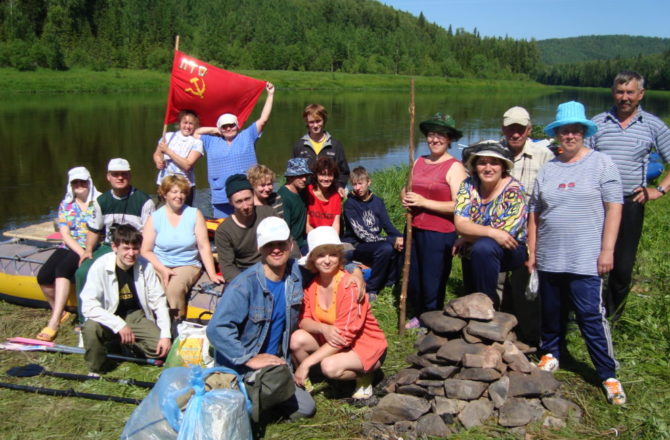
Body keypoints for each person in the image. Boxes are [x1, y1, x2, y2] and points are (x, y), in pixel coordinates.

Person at [528, 101, 626, 405]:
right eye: (563, 131)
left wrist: (607, 250)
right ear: (556, 135)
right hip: (550, 257)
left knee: (590, 316)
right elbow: (534, 212)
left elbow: (614, 207)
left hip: (586, 257)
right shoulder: (548, 169)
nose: (569, 136)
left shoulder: (602, 163)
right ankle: (551, 353)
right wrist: (532, 252)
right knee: (551, 311)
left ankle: (607, 373)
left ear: (583, 132)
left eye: (574, 130)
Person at [587, 71, 670, 322]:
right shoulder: (598, 122)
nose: (625, 98)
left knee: (622, 265)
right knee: (591, 258)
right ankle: (587, 312)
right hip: (597, 201)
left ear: (640, 94)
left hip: (631, 201)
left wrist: (659, 189)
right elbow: (583, 161)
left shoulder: (653, 125)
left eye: (630, 93)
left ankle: (612, 319)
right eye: (620, 92)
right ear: (613, 93)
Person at [290, 226, 387, 399]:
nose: (327, 261)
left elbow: (346, 335)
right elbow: (304, 320)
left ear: (340, 257)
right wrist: (323, 328)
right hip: (332, 339)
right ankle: (313, 381)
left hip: (361, 342)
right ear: (312, 260)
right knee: (297, 339)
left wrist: (305, 363)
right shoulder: (312, 286)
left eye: (332, 255)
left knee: (330, 366)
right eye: (320, 255)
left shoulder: (349, 285)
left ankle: (366, 373)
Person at [401, 112, 467, 329]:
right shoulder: (419, 161)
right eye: (431, 134)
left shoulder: (454, 167)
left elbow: (460, 205)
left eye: (441, 135)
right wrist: (404, 194)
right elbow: (409, 186)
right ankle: (419, 314)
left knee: (433, 280)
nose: (435, 139)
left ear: (449, 139)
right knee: (414, 277)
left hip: (439, 233)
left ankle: (432, 320)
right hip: (414, 227)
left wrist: (424, 202)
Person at [81, 224, 171, 375]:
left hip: (135, 315)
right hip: (108, 315)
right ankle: (96, 368)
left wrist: (165, 335)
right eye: (126, 248)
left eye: (135, 248)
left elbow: (159, 302)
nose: (131, 253)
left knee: (161, 349)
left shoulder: (145, 266)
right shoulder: (100, 267)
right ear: (114, 247)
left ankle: (123, 346)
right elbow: (88, 306)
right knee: (91, 328)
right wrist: (119, 325)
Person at [75, 158, 155, 325]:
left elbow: (148, 234)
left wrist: (141, 252)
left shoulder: (144, 200)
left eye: (123, 174)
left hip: (134, 247)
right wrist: (88, 250)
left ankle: (145, 313)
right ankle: (85, 320)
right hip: (109, 246)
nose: (120, 178)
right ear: (108, 177)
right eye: (115, 174)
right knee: (82, 272)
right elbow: (94, 229)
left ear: (129, 176)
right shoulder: (101, 201)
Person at [499, 106, 554, 347]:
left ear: (529, 130)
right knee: (496, 282)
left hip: (529, 231)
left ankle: (531, 336)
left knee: (526, 284)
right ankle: (496, 332)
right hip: (497, 231)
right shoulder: (494, 152)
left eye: (520, 129)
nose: (515, 133)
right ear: (503, 129)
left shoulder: (544, 155)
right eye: (511, 128)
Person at [453, 141, 528, 308]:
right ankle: (471, 301)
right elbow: (460, 224)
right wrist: (488, 232)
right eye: (482, 162)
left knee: (483, 247)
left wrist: (468, 235)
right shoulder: (468, 185)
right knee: (476, 246)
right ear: (474, 166)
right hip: (481, 241)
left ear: (503, 166)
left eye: (494, 162)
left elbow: (505, 235)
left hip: (514, 247)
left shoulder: (514, 191)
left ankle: (486, 304)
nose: (488, 168)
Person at [140, 175, 223, 321]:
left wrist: (212, 274)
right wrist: (163, 269)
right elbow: (145, 250)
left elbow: (203, 247)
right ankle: (153, 324)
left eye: (182, 192)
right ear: (165, 194)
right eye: (174, 192)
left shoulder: (194, 214)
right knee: (151, 288)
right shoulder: (155, 217)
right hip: (160, 264)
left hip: (187, 264)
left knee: (173, 290)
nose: (179, 196)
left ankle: (177, 324)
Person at [35, 167, 100, 342]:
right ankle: (60, 311)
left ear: (89, 182)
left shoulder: (99, 201)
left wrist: (87, 251)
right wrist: (80, 253)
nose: (79, 185)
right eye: (75, 183)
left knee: (62, 270)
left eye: (82, 182)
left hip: (91, 245)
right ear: (71, 185)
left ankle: (53, 322)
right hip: (70, 246)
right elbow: (65, 234)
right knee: (43, 277)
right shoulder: (66, 204)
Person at [196, 82, 275, 218]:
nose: (228, 129)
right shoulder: (211, 140)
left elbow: (263, 120)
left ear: (237, 125)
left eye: (231, 125)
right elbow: (195, 133)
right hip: (221, 197)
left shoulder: (247, 135)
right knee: (224, 230)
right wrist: (214, 130)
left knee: (250, 227)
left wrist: (270, 94)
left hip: (246, 194)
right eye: (224, 126)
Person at [343, 166, 404, 297]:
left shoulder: (378, 202)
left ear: (368, 182)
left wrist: (402, 238)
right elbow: (362, 235)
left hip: (374, 241)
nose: (357, 188)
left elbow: (388, 227)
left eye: (360, 183)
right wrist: (391, 240)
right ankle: (371, 288)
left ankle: (391, 282)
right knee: (386, 248)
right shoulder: (350, 204)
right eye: (354, 184)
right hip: (356, 245)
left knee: (402, 245)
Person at [214, 174, 275, 282]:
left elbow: (289, 242)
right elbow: (227, 267)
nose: (245, 206)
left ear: (253, 195)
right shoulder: (223, 231)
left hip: (271, 264)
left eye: (248, 199)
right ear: (230, 202)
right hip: (243, 272)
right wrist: (245, 284)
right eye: (239, 202)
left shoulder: (268, 213)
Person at [293, 104, 350, 197]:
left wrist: (340, 186)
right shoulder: (299, 146)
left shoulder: (335, 145)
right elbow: (293, 174)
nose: (315, 125)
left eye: (318, 121)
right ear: (306, 122)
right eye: (311, 122)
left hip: (331, 191)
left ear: (324, 121)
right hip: (307, 193)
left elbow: (344, 171)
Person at [152, 109, 204, 206]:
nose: (187, 126)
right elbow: (156, 154)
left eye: (191, 124)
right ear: (179, 123)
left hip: (184, 186)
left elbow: (187, 165)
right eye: (185, 123)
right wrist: (158, 161)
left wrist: (168, 151)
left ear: (195, 125)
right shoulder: (168, 136)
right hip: (164, 183)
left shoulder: (197, 142)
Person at [277, 158, 311, 256]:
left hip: (304, 240)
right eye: (300, 176)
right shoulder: (283, 197)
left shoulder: (303, 191)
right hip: (291, 245)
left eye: (305, 175)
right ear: (290, 177)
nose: (304, 179)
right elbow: (284, 230)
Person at [306, 157, 342, 235]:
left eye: (330, 175)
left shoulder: (336, 196)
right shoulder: (308, 192)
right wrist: (319, 239)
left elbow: (336, 225)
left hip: (330, 236)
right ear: (316, 175)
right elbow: (306, 225)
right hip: (312, 235)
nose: (326, 179)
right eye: (322, 175)